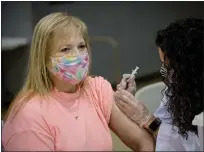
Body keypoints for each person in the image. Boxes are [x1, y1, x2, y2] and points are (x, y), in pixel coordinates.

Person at [2, 12, 154, 151]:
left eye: (81, 46)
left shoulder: (97, 88)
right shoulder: (29, 116)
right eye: (65, 49)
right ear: (43, 59)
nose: (78, 55)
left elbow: (143, 141)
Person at [115, 18, 203, 151]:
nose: (164, 70)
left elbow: (194, 147)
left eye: (168, 65)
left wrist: (148, 120)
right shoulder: (183, 82)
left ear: (188, 65)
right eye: (162, 64)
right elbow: (163, 123)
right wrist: (132, 105)